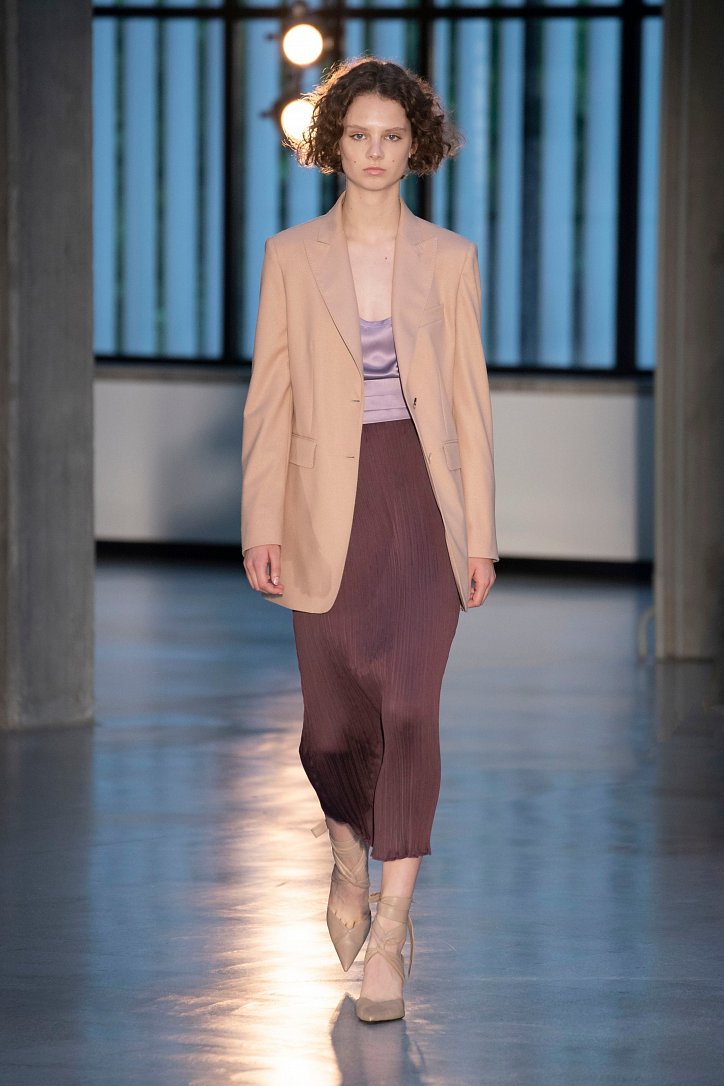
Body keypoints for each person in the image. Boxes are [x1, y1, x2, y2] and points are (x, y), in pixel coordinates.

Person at [241, 56, 498, 1024]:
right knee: (332, 730)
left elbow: (469, 407)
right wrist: (260, 522)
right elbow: (270, 398)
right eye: (359, 135)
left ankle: (391, 931)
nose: (376, 152)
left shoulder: (450, 259)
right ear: (332, 143)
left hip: (421, 502)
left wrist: (481, 537)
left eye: (393, 136)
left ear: (416, 145)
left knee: (413, 715)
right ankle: (347, 852)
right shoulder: (290, 255)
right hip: (322, 504)